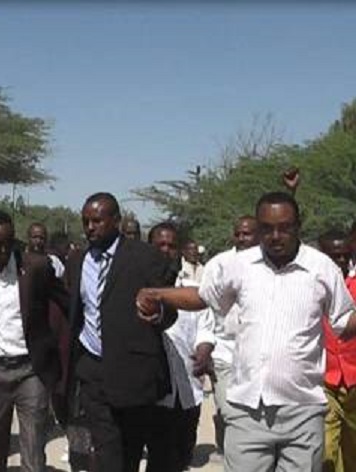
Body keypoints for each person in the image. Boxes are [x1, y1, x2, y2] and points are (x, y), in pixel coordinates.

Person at [137, 192, 356, 472]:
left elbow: (343, 322)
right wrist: (159, 294)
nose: (275, 236)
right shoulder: (239, 266)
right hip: (248, 412)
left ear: (298, 226)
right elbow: (203, 297)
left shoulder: (322, 268)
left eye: (284, 228)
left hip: (303, 412)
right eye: (267, 228)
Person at [66, 192, 177, 471]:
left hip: (133, 373)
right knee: (106, 449)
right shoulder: (77, 261)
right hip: (93, 370)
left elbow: (170, 309)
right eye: (85, 221)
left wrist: (157, 314)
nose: (90, 227)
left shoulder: (145, 257)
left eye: (97, 221)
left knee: (129, 449)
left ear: (115, 220)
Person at [0, 210, 68, 472]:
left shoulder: (35, 268)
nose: (2, 250)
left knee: (33, 446)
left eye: (8, 243)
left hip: (30, 369)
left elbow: (66, 301)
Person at [149, 222, 214, 471]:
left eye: (171, 245)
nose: (166, 250)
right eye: (160, 245)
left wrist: (204, 349)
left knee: (182, 455)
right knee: (158, 456)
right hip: (151, 391)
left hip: (188, 386)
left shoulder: (192, 291)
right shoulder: (135, 288)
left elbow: (206, 326)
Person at [210, 215, 259, 455]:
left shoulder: (270, 267)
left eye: (247, 234)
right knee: (230, 414)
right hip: (224, 352)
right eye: (238, 234)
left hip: (257, 354)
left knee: (254, 417)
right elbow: (205, 307)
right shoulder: (219, 264)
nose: (241, 238)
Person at [318, 229, 356, 472]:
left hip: (354, 379)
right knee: (325, 450)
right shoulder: (312, 288)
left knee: (352, 452)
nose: (340, 261)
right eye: (334, 256)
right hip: (324, 379)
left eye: (344, 255)